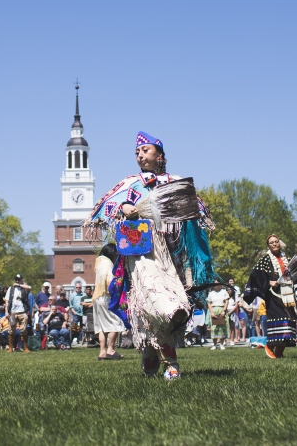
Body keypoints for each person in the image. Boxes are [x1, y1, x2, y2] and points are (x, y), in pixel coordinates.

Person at [84, 132, 218, 380]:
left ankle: (151, 355)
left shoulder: (174, 182)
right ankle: (169, 362)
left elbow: (196, 209)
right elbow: (106, 206)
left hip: (172, 252)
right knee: (151, 303)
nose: (140, 155)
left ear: (160, 155)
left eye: (145, 150)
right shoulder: (130, 184)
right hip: (142, 254)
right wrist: (124, 207)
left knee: (171, 304)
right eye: (137, 152)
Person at [244, 234, 297, 359]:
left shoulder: (288, 258)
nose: (275, 244)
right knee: (280, 320)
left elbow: (296, 275)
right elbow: (255, 276)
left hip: (288, 295)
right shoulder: (265, 260)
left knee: (290, 321)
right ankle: (270, 346)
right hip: (273, 297)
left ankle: (280, 350)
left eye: (276, 241)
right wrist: (269, 282)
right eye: (272, 242)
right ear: (268, 246)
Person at [90, 245, 125, 360]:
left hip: (96, 297)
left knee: (101, 326)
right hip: (106, 297)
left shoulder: (99, 263)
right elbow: (111, 281)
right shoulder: (108, 264)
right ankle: (111, 349)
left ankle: (102, 352)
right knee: (117, 321)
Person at [4, 274, 32, 353]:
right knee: (11, 330)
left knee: (23, 330)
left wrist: (20, 285)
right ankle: (10, 347)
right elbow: (7, 301)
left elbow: (30, 288)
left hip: (22, 312)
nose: (17, 281)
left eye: (18, 279)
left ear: (21, 280)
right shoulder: (11, 288)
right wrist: (6, 311)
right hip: (13, 312)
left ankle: (25, 347)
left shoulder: (24, 288)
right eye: (16, 279)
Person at [207, 281, 231, 351]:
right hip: (214, 310)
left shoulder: (224, 292)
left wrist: (224, 310)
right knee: (214, 328)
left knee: (222, 327)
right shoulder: (211, 293)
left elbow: (226, 301)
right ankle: (214, 344)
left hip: (222, 309)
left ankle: (221, 344)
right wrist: (211, 312)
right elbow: (209, 303)